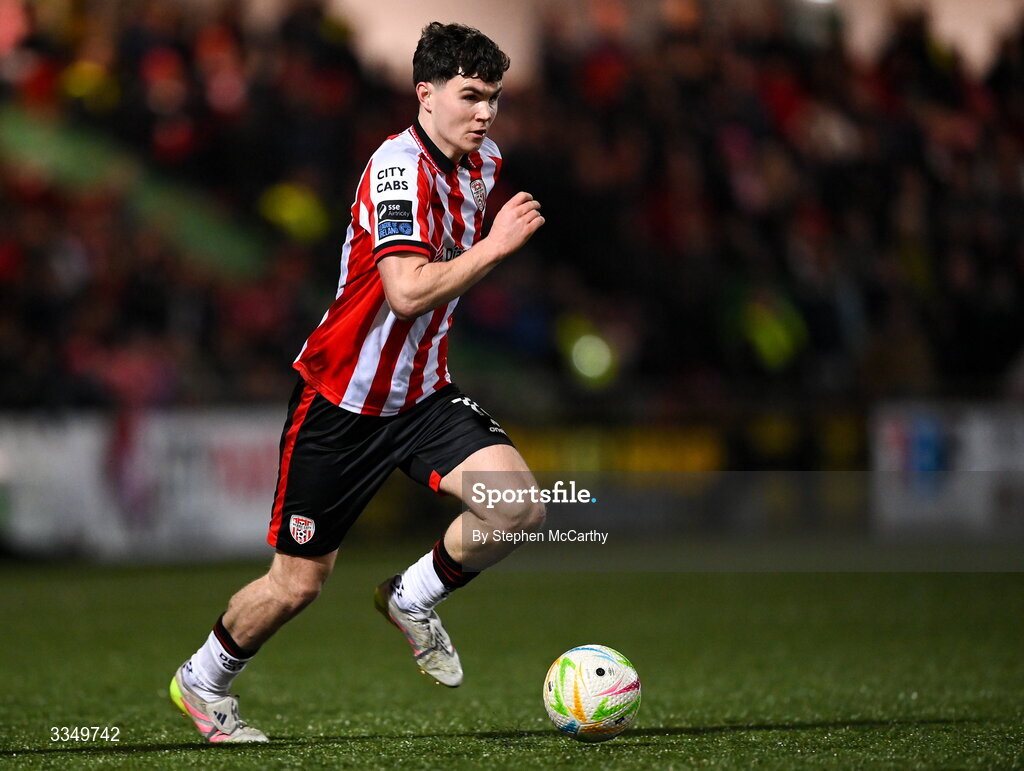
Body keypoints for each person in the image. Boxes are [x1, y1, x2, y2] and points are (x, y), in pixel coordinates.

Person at [169, 21, 546, 743]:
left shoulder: (483, 162)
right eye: (471, 96)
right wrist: (497, 246)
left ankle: (413, 596)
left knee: (518, 505)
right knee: (298, 583)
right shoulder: (397, 168)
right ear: (424, 95)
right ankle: (203, 679)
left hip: (423, 393)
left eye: (494, 97)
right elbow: (404, 292)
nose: (486, 113)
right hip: (341, 401)